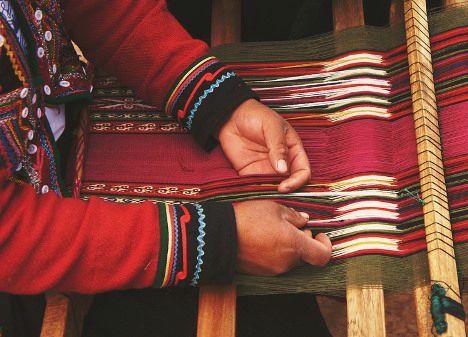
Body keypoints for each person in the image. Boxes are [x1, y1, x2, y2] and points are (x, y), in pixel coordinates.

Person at [0, 0, 333, 336]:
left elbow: (94, 7)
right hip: (39, 252)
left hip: (76, 135)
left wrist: (215, 101)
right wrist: (213, 240)